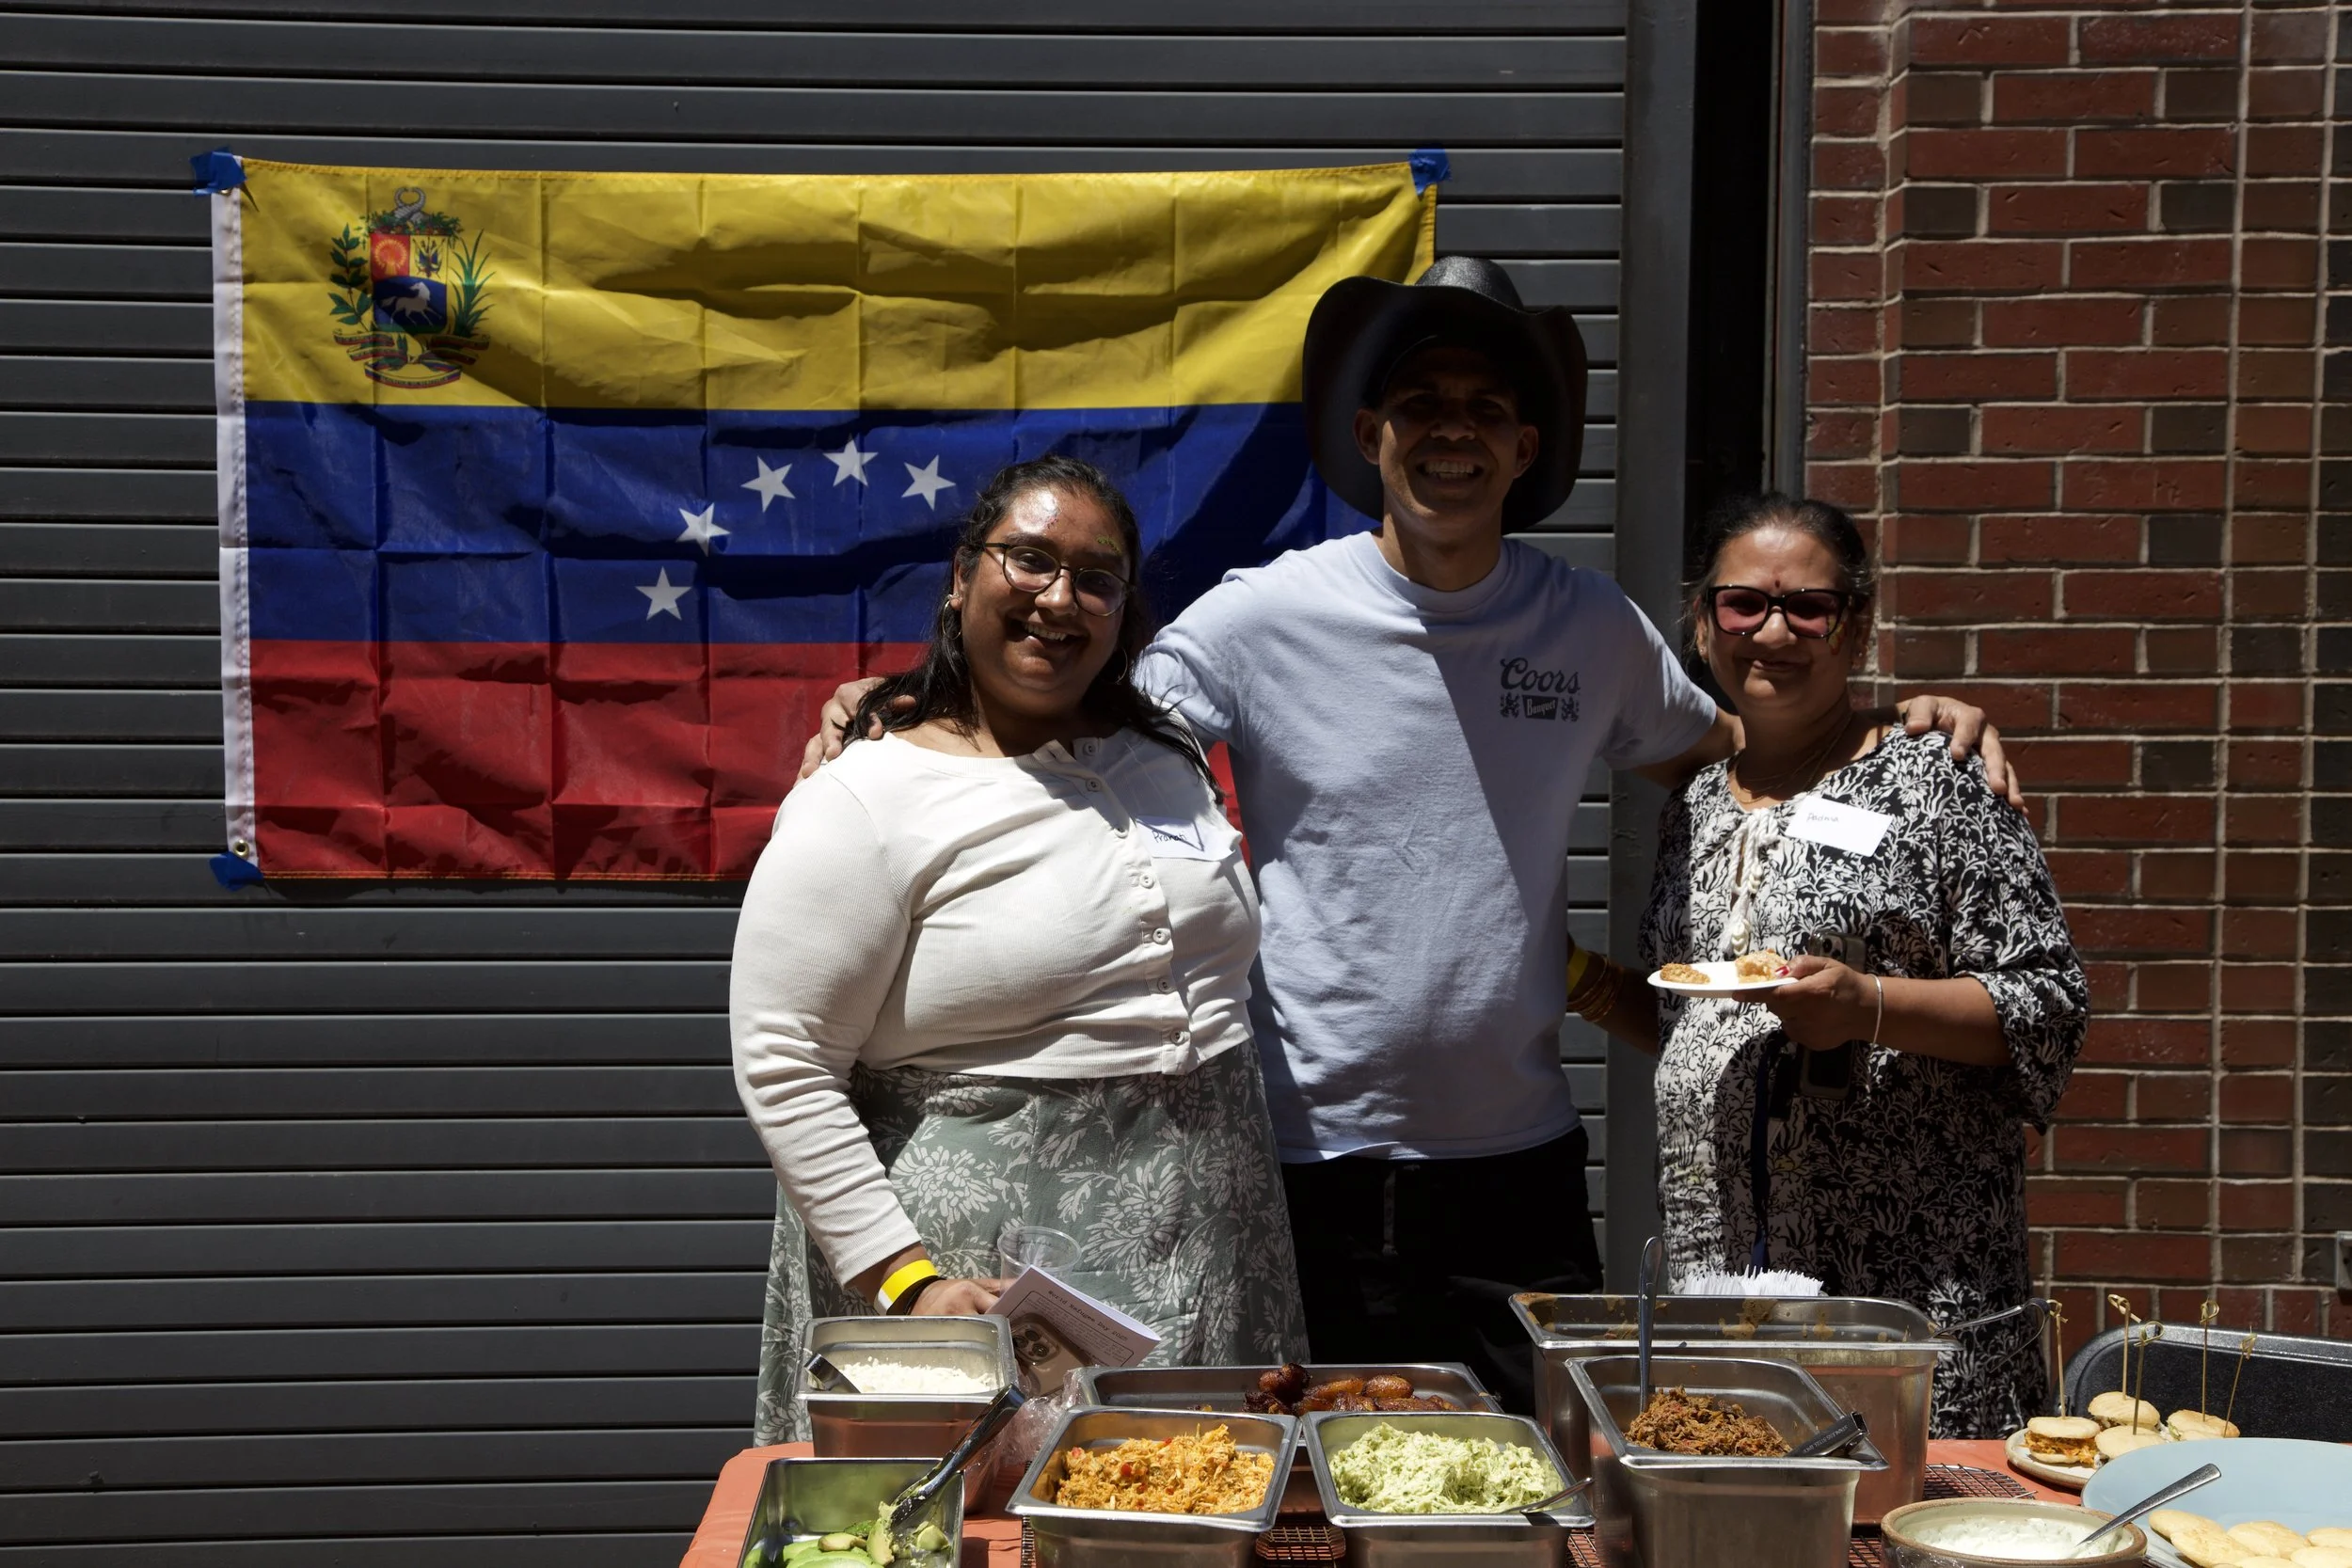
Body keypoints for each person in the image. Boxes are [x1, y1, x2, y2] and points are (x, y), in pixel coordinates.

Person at [800, 258, 2012, 1411]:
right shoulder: (1258, 616)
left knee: (1541, 1486)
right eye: (1421, 402)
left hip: (1516, 1166)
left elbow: (1744, 747)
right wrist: (907, 705)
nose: (1453, 429)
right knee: (1306, 1489)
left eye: (1485, 407)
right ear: (1370, 432)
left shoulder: (1585, 622)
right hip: (1296, 1157)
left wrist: (1894, 723)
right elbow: (1073, 716)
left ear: (1525, 447)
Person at [731, 454, 1306, 1445]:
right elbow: (784, 1058)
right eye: (1028, 560)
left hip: (1209, 1234)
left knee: (1192, 1513)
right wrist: (903, 1280)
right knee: (999, 1521)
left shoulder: (1163, 750)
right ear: (962, 578)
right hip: (977, 1269)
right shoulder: (866, 795)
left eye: (1096, 577)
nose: (1059, 597)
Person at [1576, 493, 2086, 1437]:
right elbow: (1702, 1019)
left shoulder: (1936, 777)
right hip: (1725, 1282)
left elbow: (2047, 1001)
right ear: (1702, 622)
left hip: (1904, 1289)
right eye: (1742, 604)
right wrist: (1583, 984)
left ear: (1855, 627)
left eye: (1807, 607)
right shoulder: (1694, 805)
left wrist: (1869, 1005)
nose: (1772, 630)